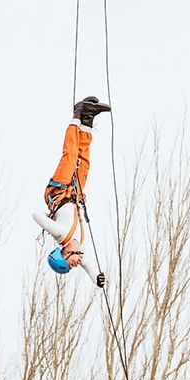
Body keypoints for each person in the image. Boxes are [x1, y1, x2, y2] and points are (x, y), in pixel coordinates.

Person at [32, 96, 112, 287]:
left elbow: (36, 214)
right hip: (75, 193)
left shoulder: (60, 234)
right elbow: (91, 270)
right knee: (83, 161)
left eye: (69, 264)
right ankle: (88, 119)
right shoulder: (81, 248)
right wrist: (98, 280)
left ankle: (77, 115)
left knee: (70, 155)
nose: (75, 266)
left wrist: (50, 216)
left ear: (64, 254)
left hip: (58, 191)